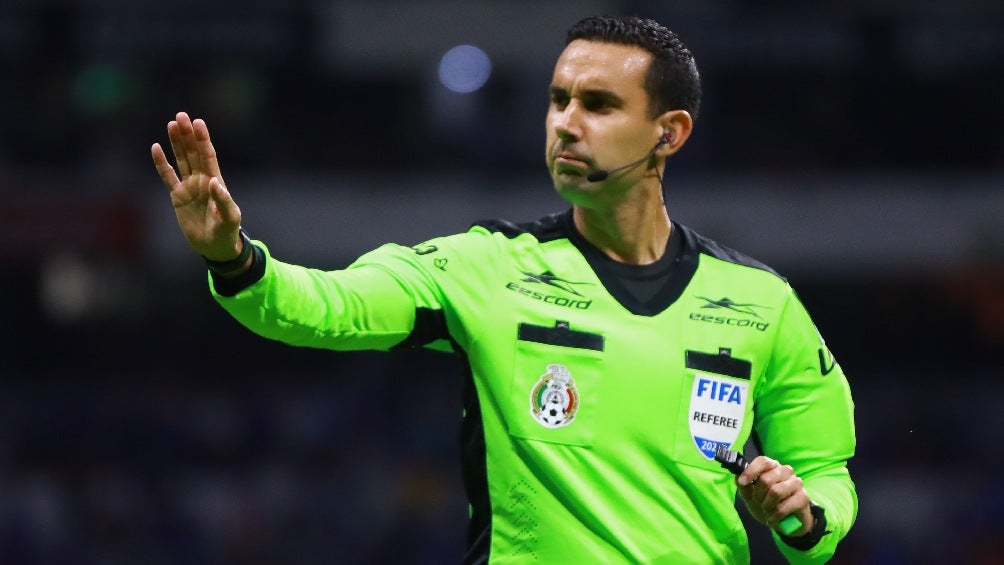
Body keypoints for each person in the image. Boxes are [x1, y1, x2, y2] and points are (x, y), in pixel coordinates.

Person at [151, 15, 856, 564]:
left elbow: (827, 472)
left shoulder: (762, 302)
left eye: (599, 104)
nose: (566, 124)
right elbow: (327, 308)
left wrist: (803, 514)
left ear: (668, 133)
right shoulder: (485, 267)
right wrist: (233, 258)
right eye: (558, 100)